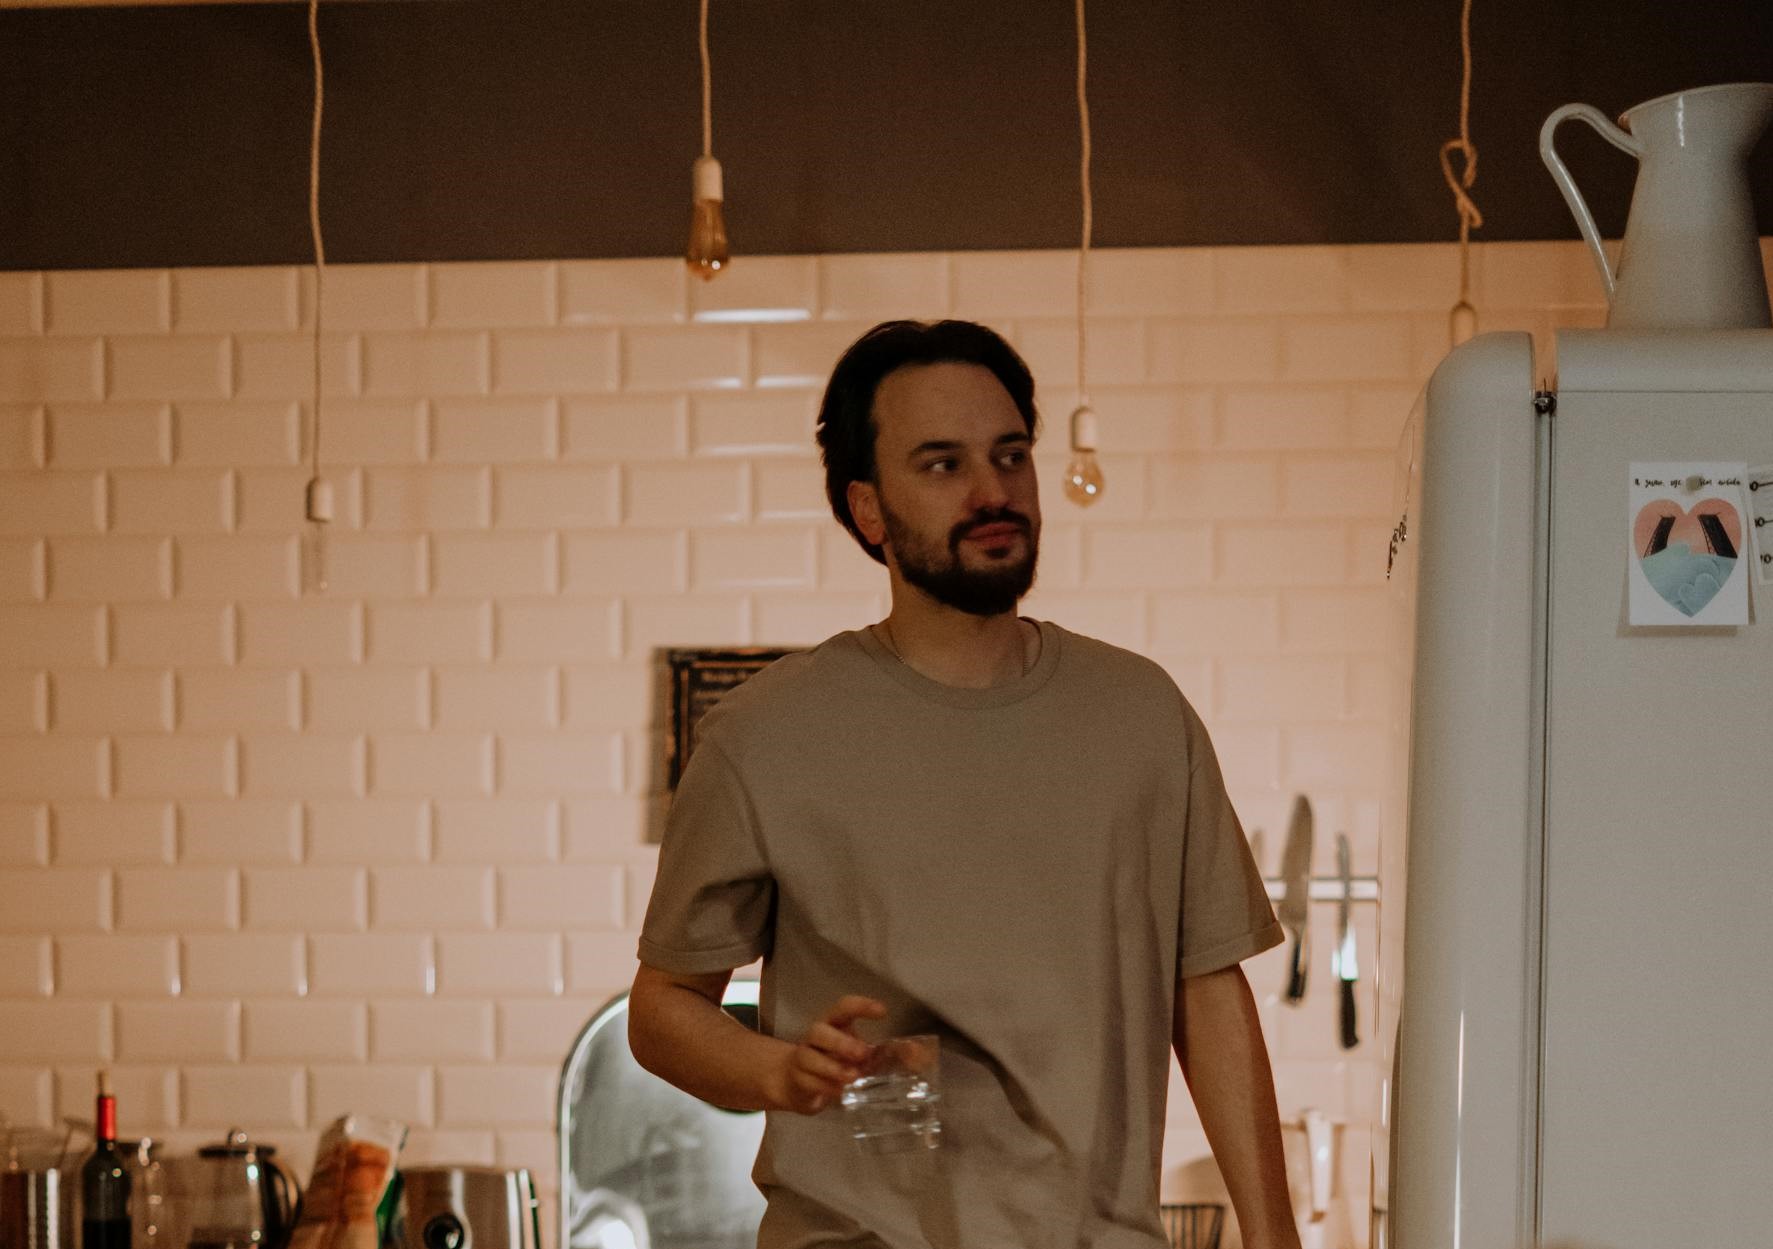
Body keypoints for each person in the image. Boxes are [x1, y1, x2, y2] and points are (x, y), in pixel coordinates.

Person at [629, 319, 1300, 1249]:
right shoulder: (765, 736)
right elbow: (661, 1009)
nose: (992, 491)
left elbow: (1208, 991)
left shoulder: (1142, 716)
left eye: (1010, 454)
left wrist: (1276, 1238)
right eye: (942, 465)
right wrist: (778, 1071)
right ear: (868, 510)